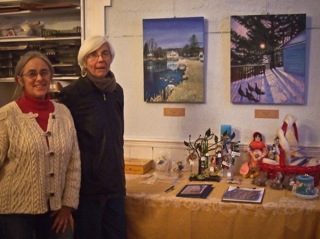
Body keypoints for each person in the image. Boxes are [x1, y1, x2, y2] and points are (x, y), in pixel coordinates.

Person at [0, 51, 81, 239]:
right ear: (20, 80)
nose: (39, 78)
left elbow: (74, 164)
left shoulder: (64, 113)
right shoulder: (6, 116)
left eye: (44, 73)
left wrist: (68, 205)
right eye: (32, 73)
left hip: (57, 212)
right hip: (14, 215)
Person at [59, 36, 126, 239]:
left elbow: (118, 136)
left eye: (105, 53)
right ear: (84, 62)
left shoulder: (117, 91)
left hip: (115, 185)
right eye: (93, 55)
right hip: (87, 189)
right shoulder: (72, 94)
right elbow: (66, 144)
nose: (100, 59)